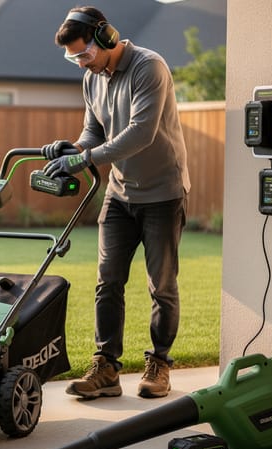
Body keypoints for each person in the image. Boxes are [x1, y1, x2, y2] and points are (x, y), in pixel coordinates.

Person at [41, 6, 190, 399]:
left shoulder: (148, 68)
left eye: (84, 54)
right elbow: (93, 132)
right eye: (73, 58)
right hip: (120, 194)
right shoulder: (92, 80)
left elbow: (140, 133)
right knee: (107, 283)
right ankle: (106, 366)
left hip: (163, 193)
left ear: (106, 37)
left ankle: (159, 364)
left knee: (161, 285)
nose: (81, 64)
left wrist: (84, 159)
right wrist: (70, 150)